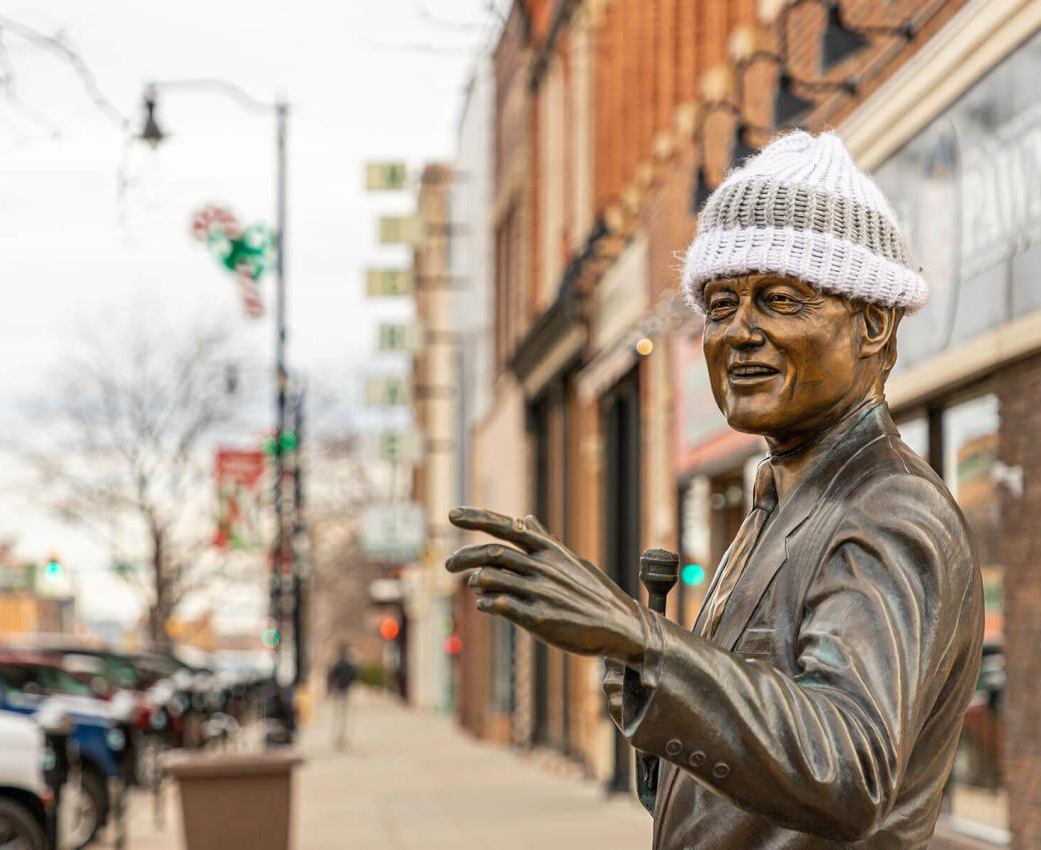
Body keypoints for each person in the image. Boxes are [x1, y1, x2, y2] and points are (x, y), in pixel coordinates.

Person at [444, 131, 983, 848]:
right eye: (721, 304)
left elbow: (847, 769)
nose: (740, 332)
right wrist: (648, 683)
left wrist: (641, 637)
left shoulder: (886, 505)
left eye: (781, 300)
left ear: (873, 324)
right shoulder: (783, 497)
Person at [326, 644, 358, 750]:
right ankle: (343, 737)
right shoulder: (349, 665)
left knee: (338, 714)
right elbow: (354, 677)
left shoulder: (337, 665)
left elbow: (331, 677)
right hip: (346, 690)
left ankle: (338, 737)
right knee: (345, 715)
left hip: (339, 690)